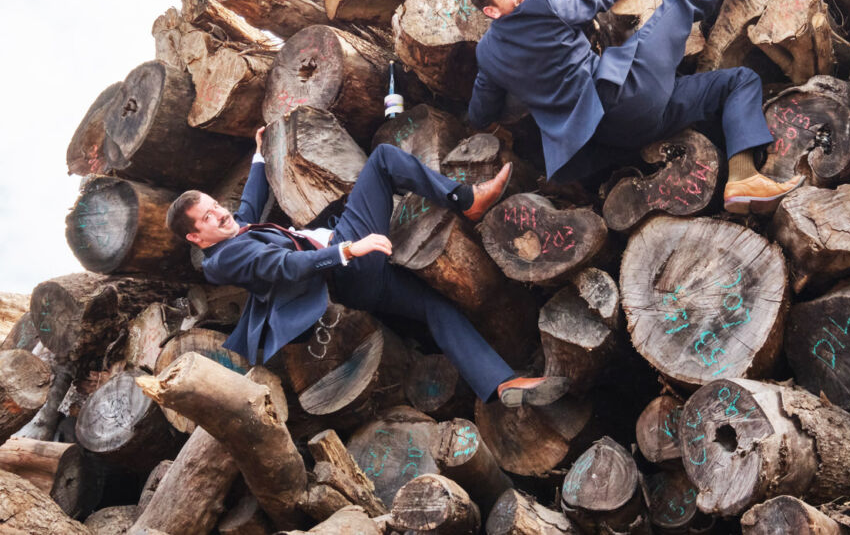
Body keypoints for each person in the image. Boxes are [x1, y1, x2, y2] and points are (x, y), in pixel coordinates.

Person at [468, 0, 802, 214]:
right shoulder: (540, 7)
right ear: (491, 11)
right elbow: (586, 4)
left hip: (621, 135)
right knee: (679, 2)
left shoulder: (487, 56)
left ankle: (744, 177)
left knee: (738, 81)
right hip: (625, 96)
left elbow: (481, 112)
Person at [165, 128, 568, 408]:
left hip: (355, 282)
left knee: (435, 309)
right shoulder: (224, 259)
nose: (220, 213)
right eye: (207, 217)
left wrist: (260, 154)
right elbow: (286, 265)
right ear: (194, 239)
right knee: (383, 160)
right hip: (344, 267)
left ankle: (500, 383)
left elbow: (250, 208)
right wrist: (348, 250)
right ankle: (467, 200)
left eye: (214, 204)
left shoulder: (232, 232)